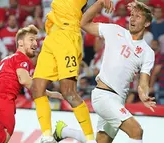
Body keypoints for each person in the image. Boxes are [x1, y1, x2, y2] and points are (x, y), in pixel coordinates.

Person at [52, 1, 156, 143]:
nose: (132, 19)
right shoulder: (115, 30)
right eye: (132, 15)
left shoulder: (147, 52)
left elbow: (144, 82)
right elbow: (84, 24)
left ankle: (63, 131)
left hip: (119, 100)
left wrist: (143, 94)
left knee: (100, 141)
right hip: (103, 95)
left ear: (147, 23)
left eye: (138, 17)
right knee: (136, 130)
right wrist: (99, 3)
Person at [0, 25, 62, 143]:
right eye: (31, 39)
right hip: (5, 101)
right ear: (20, 43)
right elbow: (25, 80)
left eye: (36, 40)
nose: (35, 43)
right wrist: (50, 93)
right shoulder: (22, 59)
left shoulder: (5, 60)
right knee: (3, 139)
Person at [29, 0, 110, 142]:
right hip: (51, 36)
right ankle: (47, 136)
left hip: (68, 35)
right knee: (37, 88)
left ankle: (90, 139)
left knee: (68, 92)